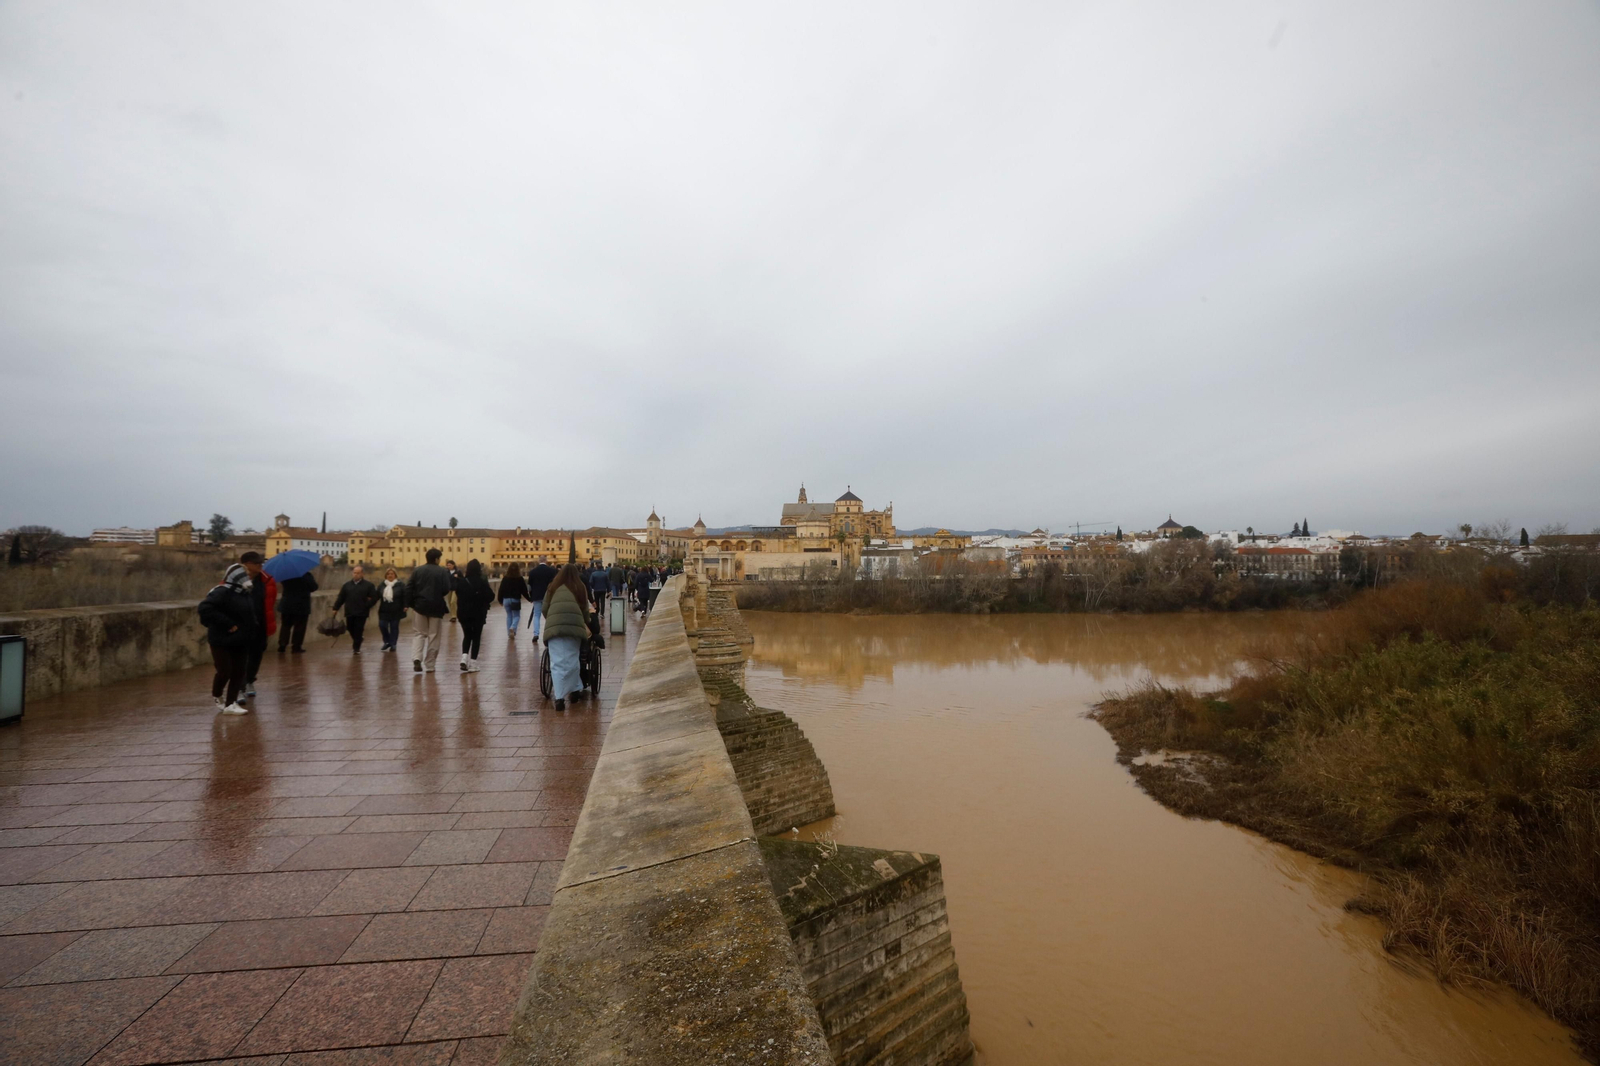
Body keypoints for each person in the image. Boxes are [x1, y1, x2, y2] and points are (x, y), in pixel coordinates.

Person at [198, 563, 256, 714]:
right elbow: (205, 609)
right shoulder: (222, 592)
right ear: (237, 576)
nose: (249, 576)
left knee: (239, 672)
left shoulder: (245, 593)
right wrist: (228, 624)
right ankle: (217, 694)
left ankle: (231, 704)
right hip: (221, 639)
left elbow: (249, 615)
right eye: (246, 573)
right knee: (224, 671)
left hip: (241, 639)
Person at [542, 563, 592, 711]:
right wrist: (586, 621)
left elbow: (545, 608)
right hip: (574, 628)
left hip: (555, 629)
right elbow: (585, 610)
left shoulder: (552, 586)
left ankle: (559, 698)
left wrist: (552, 619)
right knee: (573, 659)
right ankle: (575, 690)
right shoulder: (580, 587)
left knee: (556, 663)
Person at [406, 548, 453, 673]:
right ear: (437, 559)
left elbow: (409, 587)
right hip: (436, 606)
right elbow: (446, 588)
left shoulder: (417, 571)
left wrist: (412, 603)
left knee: (419, 634)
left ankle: (416, 658)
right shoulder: (442, 572)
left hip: (419, 606)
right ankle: (430, 664)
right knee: (434, 636)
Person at [238, 551, 275, 698]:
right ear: (246, 564)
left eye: (261, 563)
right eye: (257, 563)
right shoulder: (234, 579)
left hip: (260, 624)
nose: (260, 565)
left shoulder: (267, 580)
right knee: (241, 657)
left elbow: (269, 604)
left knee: (256, 655)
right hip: (241, 625)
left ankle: (250, 681)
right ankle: (239, 687)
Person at [454, 558, 495, 672]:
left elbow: (458, 594)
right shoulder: (482, 582)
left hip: (463, 613)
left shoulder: (461, 582)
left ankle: (464, 657)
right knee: (476, 637)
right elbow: (491, 596)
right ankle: (473, 663)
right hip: (478, 613)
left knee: (467, 635)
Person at [332, 565, 379, 653]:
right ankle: (359, 639)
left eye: (358, 573)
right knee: (350, 628)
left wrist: (366, 605)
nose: (356, 575)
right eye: (354, 573)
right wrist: (336, 608)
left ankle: (356, 648)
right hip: (350, 611)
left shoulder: (368, 585)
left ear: (362, 574)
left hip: (362, 612)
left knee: (358, 629)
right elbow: (341, 597)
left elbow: (374, 598)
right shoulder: (346, 585)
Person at [276, 568, 318, 653]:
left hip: (287, 604)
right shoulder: (305, 575)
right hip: (301, 604)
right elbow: (314, 587)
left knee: (285, 625)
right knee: (299, 627)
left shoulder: (286, 574)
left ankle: (282, 644)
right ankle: (296, 646)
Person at [376, 567, 407, 651]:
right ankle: (387, 641)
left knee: (394, 627)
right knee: (382, 625)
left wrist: (406, 605)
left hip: (396, 609)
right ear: (385, 575)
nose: (390, 575)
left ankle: (393, 644)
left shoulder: (400, 585)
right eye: (388, 574)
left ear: (395, 575)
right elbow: (376, 596)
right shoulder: (382, 585)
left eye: (392, 574)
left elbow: (405, 596)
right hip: (384, 610)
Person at [526, 559, 557, 643]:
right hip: (548, 596)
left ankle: (536, 634)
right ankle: (550, 633)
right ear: (546, 561)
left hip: (536, 596)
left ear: (539, 561)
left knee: (536, 615)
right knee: (549, 615)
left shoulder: (532, 572)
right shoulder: (551, 571)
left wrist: (531, 596)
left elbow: (529, 586)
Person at [499, 563, 530, 637]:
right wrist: (529, 599)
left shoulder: (505, 578)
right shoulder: (520, 579)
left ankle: (509, 633)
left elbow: (501, 590)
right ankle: (513, 627)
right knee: (516, 616)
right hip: (515, 599)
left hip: (506, 599)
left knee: (509, 616)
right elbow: (524, 591)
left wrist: (500, 600)